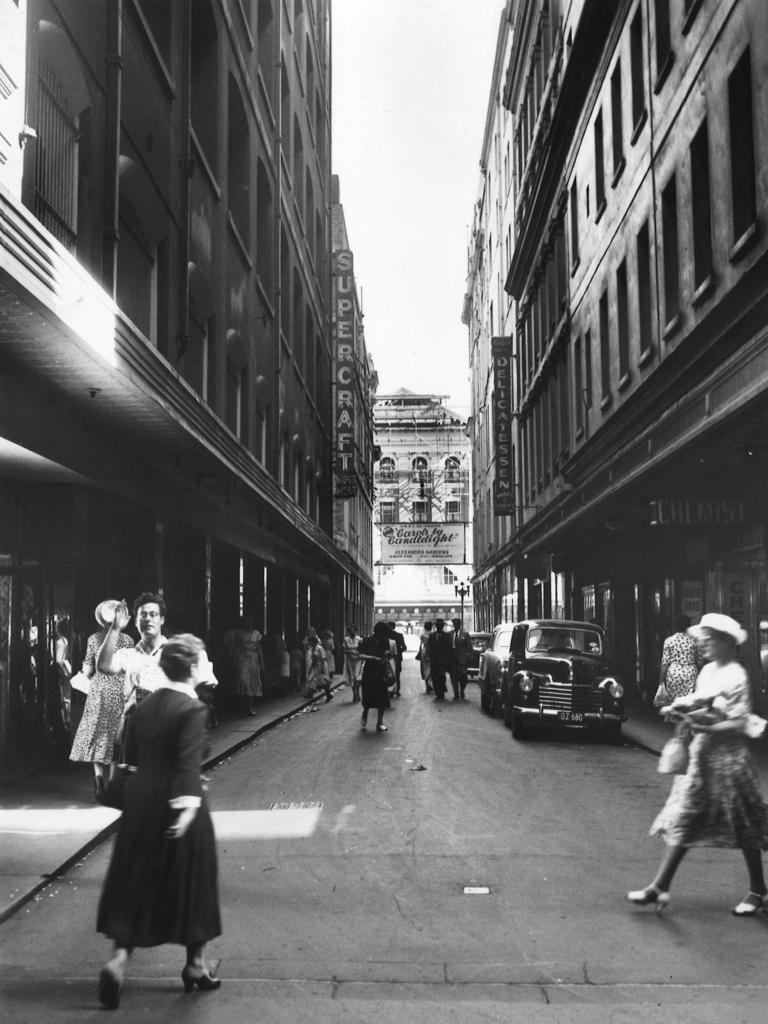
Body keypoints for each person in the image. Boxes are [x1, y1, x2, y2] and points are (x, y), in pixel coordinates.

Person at [95, 633, 222, 1008]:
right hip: (179, 803)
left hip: (139, 805)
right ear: (193, 667)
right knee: (195, 879)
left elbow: (129, 759)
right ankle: (196, 965)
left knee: (136, 880)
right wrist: (184, 809)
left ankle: (118, 962)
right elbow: (186, 763)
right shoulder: (193, 710)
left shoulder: (144, 708)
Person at [627, 612, 768, 915]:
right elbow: (701, 703)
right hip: (703, 756)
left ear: (727, 643)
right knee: (687, 816)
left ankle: (758, 890)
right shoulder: (706, 672)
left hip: (730, 758)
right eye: (703, 638)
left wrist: (702, 725)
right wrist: (682, 715)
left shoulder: (736, 674)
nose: (703, 644)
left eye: (710, 639)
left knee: (744, 823)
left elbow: (738, 722)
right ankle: (659, 887)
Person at [97, 594, 218, 751]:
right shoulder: (128, 655)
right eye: (143, 615)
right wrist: (115, 629)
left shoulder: (178, 652)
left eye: (153, 614)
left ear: (162, 620)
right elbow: (103, 666)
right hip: (135, 736)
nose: (148, 619)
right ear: (135, 622)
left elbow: (203, 687)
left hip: (170, 734)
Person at [69, 600, 136, 800]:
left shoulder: (93, 639)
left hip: (98, 692)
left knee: (97, 736)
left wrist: (82, 670)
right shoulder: (128, 640)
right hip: (119, 692)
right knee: (116, 738)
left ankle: (99, 780)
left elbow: (88, 670)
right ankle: (114, 785)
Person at [223, 615, 266, 716]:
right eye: (247, 621)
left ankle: (250, 706)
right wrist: (232, 658)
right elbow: (234, 647)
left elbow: (259, 648)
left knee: (252, 683)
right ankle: (242, 706)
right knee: (243, 682)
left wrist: (262, 662)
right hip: (242, 659)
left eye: (250, 621)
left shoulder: (257, 634)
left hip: (253, 660)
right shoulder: (239, 633)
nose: (248, 623)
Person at [656, 613, 702, 704]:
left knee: (674, 702)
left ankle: (674, 717)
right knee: (690, 702)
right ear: (689, 626)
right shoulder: (695, 640)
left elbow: (665, 663)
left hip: (673, 674)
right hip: (690, 673)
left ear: (675, 626)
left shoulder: (669, 640)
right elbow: (700, 661)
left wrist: (661, 682)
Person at [358, 621, 394, 731]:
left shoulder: (385, 641)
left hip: (381, 672)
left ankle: (379, 723)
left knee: (382, 698)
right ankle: (365, 712)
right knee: (368, 696)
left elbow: (388, 654)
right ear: (377, 632)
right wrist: (373, 658)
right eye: (382, 633)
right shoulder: (367, 641)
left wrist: (388, 654)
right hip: (369, 671)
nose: (383, 635)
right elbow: (360, 655)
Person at [427, 619, 453, 701]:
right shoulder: (432, 636)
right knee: (434, 676)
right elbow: (429, 647)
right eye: (437, 625)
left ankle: (441, 692)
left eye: (440, 625)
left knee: (441, 676)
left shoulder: (446, 636)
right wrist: (430, 657)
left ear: (442, 626)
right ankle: (437, 691)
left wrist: (447, 659)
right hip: (434, 660)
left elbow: (449, 648)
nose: (439, 627)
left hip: (443, 660)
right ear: (436, 626)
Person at [305, 630, 333, 702]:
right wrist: (311, 668)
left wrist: (323, 669)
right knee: (313, 680)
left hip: (321, 665)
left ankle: (327, 694)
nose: (309, 644)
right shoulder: (311, 649)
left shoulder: (320, 648)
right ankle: (310, 693)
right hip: (315, 666)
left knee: (322, 680)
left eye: (310, 642)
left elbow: (323, 658)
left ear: (313, 642)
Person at [450, 618, 474, 701]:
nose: (456, 626)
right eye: (454, 624)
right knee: (453, 676)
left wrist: (470, 657)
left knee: (463, 676)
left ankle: (462, 689)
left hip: (462, 659)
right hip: (452, 659)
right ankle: (456, 692)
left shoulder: (465, 634)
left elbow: (469, 647)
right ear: (453, 625)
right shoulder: (450, 634)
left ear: (459, 625)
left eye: (457, 624)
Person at [342, 624, 364, 702]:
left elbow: (363, 649)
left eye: (353, 630)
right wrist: (349, 651)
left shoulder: (359, 639)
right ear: (348, 632)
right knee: (352, 677)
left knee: (356, 676)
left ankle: (357, 692)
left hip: (358, 660)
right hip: (349, 660)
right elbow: (343, 650)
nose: (352, 632)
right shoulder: (346, 640)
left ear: (356, 631)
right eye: (350, 631)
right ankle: (354, 694)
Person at [387, 622, 407, 697]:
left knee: (396, 674)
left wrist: (397, 651)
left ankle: (395, 690)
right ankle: (394, 690)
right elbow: (404, 648)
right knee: (395, 674)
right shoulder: (398, 635)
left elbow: (404, 647)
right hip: (395, 658)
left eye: (389, 627)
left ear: (392, 627)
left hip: (395, 658)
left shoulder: (398, 636)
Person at [417, 621, 434, 694]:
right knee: (432, 669)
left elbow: (422, 645)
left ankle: (427, 686)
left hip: (424, 653)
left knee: (425, 670)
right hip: (432, 653)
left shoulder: (422, 635)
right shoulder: (433, 635)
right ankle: (430, 684)